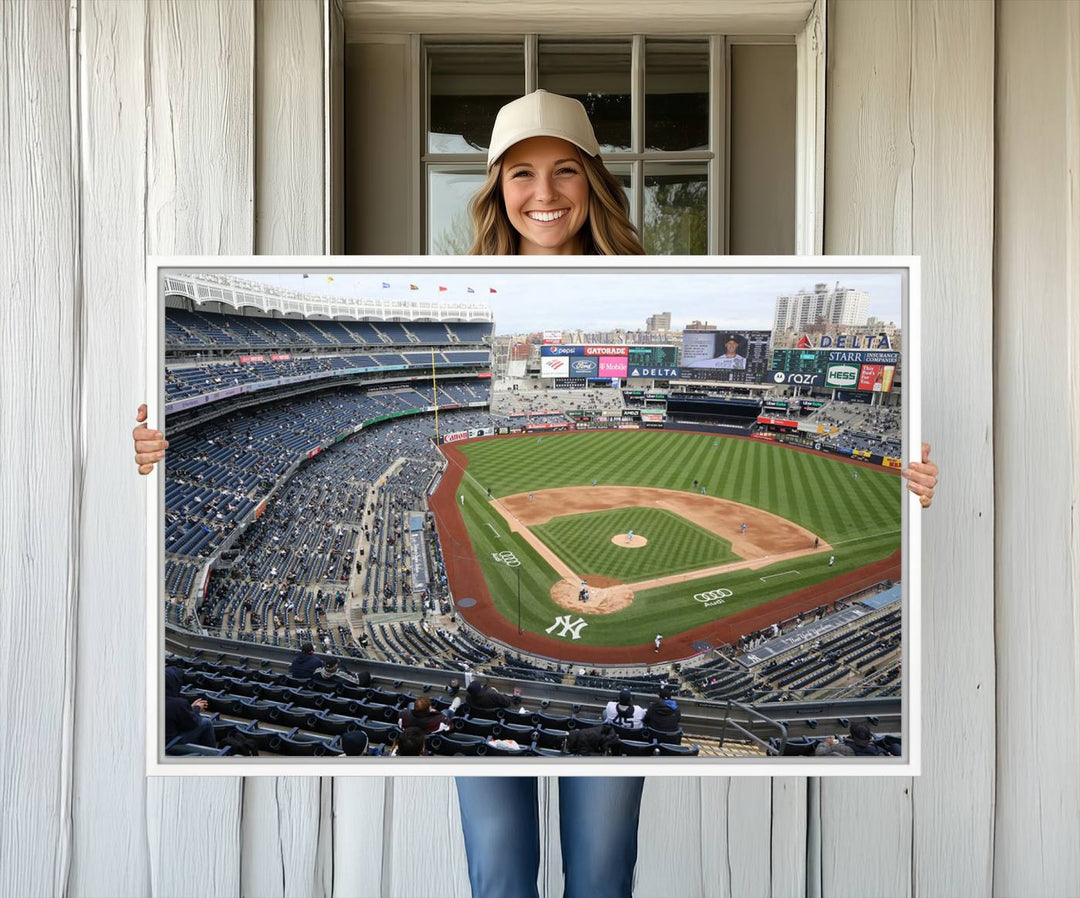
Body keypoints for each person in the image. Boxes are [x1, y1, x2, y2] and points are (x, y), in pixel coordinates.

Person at [132, 88, 939, 898]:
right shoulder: (462, 285)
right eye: (521, 173)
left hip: (552, 720)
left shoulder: (667, 283)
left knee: (599, 875)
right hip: (507, 724)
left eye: (564, 171)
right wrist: (153, 451)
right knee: (500, 876)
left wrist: (915, 477)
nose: (543, 193)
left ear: (593, 181)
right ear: (495, 189)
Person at [163, 666, 216, 749]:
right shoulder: (178, 703)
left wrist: (189, 709)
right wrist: (197, 709)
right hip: (169, 744)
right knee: (206, 722)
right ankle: (212, 754)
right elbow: (192, 724)